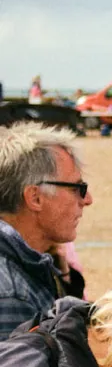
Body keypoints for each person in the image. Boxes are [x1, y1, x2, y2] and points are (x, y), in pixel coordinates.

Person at [0, 125, 91, 332]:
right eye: (78, 189)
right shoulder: (12, 293)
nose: (87, 200)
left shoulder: (28, 267)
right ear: (35, 198)